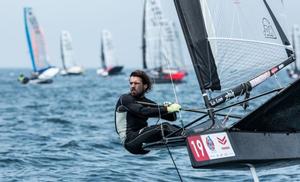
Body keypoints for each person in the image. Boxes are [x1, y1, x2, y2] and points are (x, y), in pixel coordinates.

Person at [115, 70, 181, 154]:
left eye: (136, 83)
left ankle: (192, 133)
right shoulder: (125, 99)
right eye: (131, 83)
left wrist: (170, 109)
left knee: (173, 127)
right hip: (130, 142)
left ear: (145, 86)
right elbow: (142, 111)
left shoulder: (147, 102)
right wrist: (166, 109)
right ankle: (189, 135)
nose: (132, 86)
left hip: (143, 139)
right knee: (164, 127)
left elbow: (171, 118)